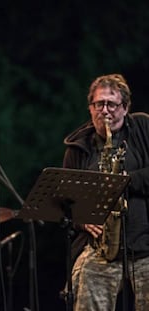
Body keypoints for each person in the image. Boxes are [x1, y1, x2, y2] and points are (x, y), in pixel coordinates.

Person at [63, 73, 149, 310]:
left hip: (145, 246)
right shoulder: (77, 148)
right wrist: (81, 220)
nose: (105, 110)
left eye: (111, 104)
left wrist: (125, 181)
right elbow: (65, 200)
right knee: (85, 284)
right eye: (98, 104)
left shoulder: (142, 127)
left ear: (125, 107)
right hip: (102, 249)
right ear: (90, 108)